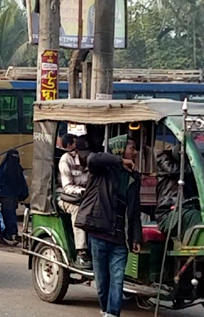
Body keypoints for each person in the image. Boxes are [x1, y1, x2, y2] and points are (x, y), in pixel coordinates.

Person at [76, 135, 142, 317]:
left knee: (118, 279)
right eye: (132, 148)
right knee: (102, 280)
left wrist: (136, 237)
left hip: (120, 238)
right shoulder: (101, 170)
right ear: (120, 149)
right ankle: (105, 310)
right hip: (99, 234)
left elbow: (135, 211)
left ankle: (112, 314)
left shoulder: (134, 178)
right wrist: (120, 161)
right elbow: (93, 158)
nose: (135, 152)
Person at [58, 134, 91, 269]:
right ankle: (81, 251)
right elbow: (67, 187)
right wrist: (82, 191)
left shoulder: (93, 161)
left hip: (88, 198)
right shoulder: (66, 160)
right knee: (78, 210)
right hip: (67, 197)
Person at [155, 143, 201, 238]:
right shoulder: (164, 157)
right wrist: (198, 168)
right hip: (168, 212)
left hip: (188, 208)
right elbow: (172, 169)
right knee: (195, 217)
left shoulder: (189, 170)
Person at [0, 149, 28, 246]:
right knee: (9, 216)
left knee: (7, 216)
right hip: (8, 196)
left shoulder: (2, 168)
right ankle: (9, 235)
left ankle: (7, 235)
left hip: (7, 196)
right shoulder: (16, 168)